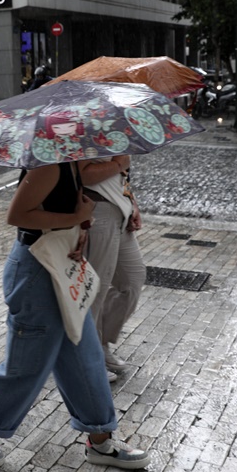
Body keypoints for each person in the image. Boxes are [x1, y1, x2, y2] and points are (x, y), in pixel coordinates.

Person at [0, 160, 152, 472]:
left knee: (85, 355)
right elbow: (17, 216)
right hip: (36, 274)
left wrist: (79, 228)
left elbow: (56, 210)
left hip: (59, 267)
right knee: (28, 363)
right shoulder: (49, 166)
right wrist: (77, 217)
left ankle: (101, 439)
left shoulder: (69, 164)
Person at [80, 155, 145, 383]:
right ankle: (88, 359)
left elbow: (121, 176)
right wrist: (119, 163)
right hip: (96, 210)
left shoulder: (114, 128)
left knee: (132, 279)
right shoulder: (83, 126)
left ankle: (99, 343)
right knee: (95, 288)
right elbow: (82, 173)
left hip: (120, 208)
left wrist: (132, 203)